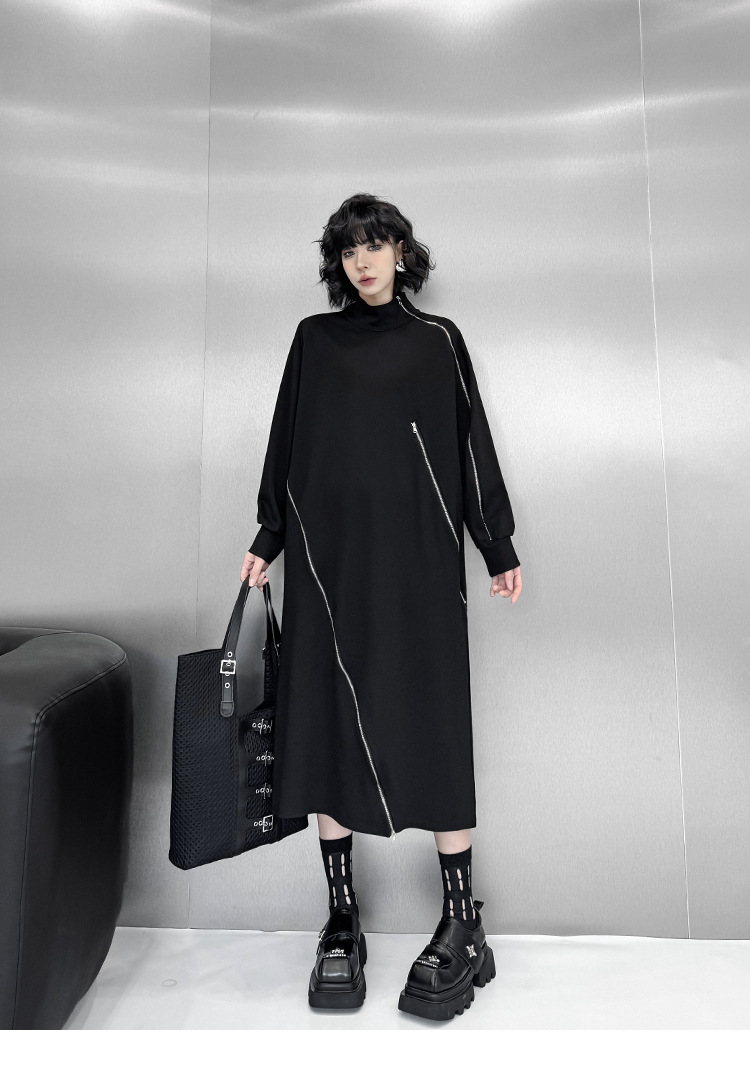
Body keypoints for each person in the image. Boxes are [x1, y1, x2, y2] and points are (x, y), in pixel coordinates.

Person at [240, 193, 522, 1021]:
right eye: (349, 249)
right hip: (328, 566)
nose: (363, 261)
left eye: (376, 244)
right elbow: (286, 440)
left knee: (434, 720)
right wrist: (269, 535)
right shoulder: (313, 341)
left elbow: (469, 442)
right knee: (328, 722)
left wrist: (496, 543)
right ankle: (341, 918)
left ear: (401, 251)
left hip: (420, 566)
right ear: (339, 262)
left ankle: (463, 921)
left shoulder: (438, 341)